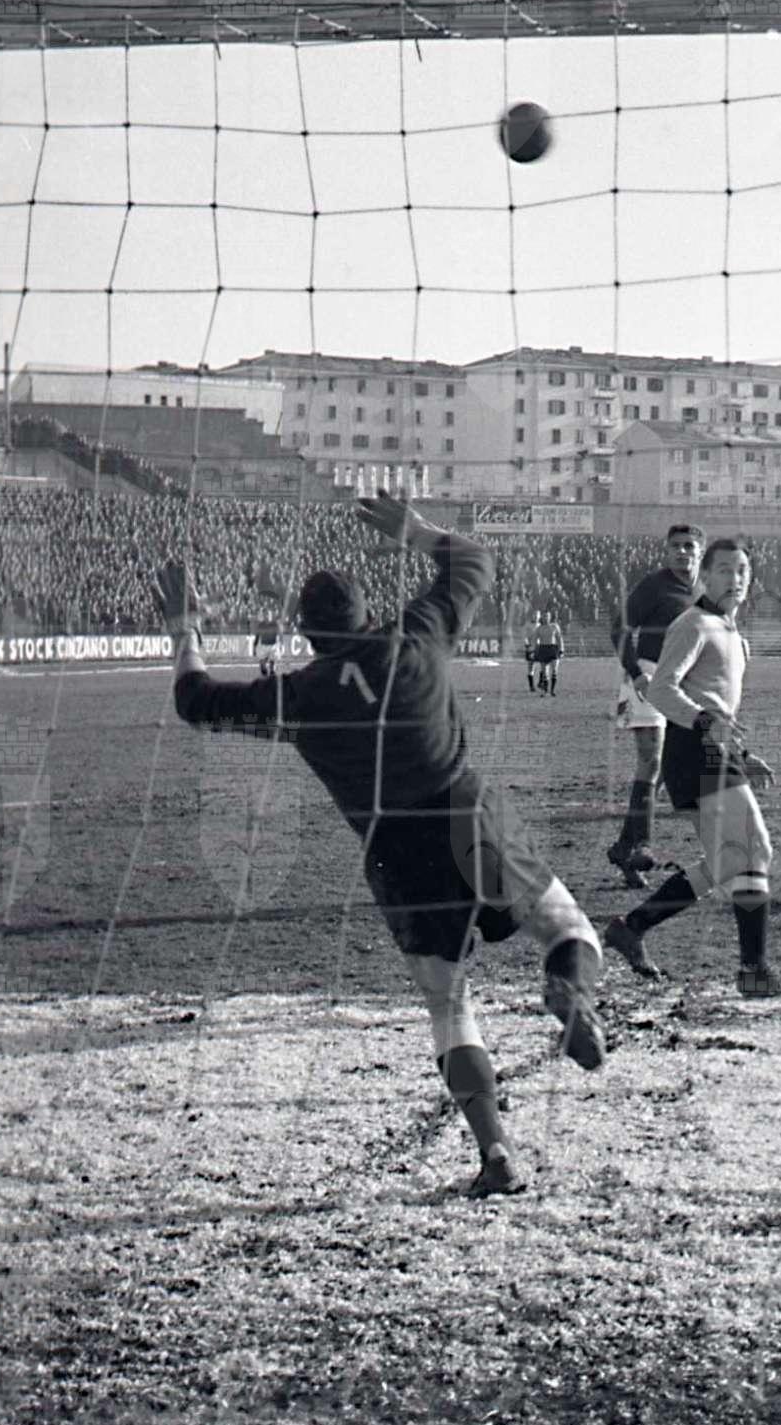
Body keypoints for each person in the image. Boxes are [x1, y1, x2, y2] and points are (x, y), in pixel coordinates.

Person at [155, 493, 606, 1199]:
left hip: (396, 850)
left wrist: (185, 629)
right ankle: (568, 989)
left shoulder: (298, 695)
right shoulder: (416, 636)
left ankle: (496, 1152)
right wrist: (415, 530)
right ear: (369, 610)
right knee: (568, 929)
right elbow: (474, 560)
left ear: (306, 633)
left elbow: (195, 700)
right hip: (468, 815)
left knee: (450, 1003)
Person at [601, 538, 781, 998]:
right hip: (692, 751)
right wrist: (705, 723)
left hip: (711, 751)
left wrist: (742, 756)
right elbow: (661, 689)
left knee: (728, 860)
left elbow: (716, 708)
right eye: (725, 570)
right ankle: (753, 971)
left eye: (743, 571)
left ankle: (631, 928)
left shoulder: (734, 636)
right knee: (753, 849)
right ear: (706, 577)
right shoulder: (692, 624)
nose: (736, 579)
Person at [607, 523, 705, 886]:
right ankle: (642, 845)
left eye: (689, 546)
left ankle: (624, 847)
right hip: (647, 676)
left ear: (700, 552)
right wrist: (635, 674)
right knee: (650, 758)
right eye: (675, 546)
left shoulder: (702, 592)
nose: (682, 551)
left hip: (681, 684)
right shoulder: (654, 585)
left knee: (664, 767)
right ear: (666, 551)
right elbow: (619, 628)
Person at [530, 611, 564, 697]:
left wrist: (561, 650)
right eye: (544, 616)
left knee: (554, 670)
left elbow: (559, 638)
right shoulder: (539, 628)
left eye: (547, 616)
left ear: (550, 617)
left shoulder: (554, 626)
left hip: (553, 649)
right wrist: (533, 651)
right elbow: (534, 640)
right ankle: (545, 691)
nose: (546, 618)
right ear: (542, 617)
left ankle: (552, 691)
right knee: (545, 672)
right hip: (543, 649)